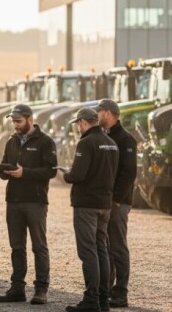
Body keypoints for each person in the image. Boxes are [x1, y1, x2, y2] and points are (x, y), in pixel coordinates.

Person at [0, 104, 57, 305]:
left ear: (30, 119)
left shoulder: (45, 142)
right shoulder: (11, 142)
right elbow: (6, 164)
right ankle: (17, 288)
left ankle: (41, 289)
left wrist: (26, 173)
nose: (15, 125)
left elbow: (51, 171)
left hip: (35, 201)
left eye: (18, 121)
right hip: (13, 201)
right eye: (13, 121)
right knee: (16, 247)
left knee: (39, 246)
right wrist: (3, 171)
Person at [63, 108, 119, 312]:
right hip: (105, 204)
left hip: (86, 204)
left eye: (78, 124)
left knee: (88, 251)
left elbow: (78, 174)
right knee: (102, 250)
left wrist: (66, 174)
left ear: (83, 123)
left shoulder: (86, 143)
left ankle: (90, 300)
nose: (78, 128)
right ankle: (104, 300)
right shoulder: (112, 144)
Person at [96, 99, 137, 309]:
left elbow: (129, 172)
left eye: (100, 112)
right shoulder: (103, 136)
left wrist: (117, 200)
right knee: (106, 246)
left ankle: (121, 293)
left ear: (110, 113)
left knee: (118, 247)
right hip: (105, 201)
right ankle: (108, 290)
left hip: (118, 203)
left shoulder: (125, 139)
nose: (97, 115)